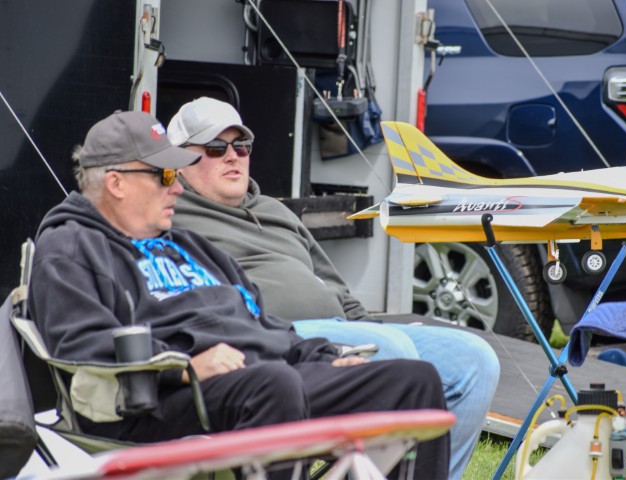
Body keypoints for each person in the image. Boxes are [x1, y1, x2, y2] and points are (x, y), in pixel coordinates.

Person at [28, 110, 450, 480]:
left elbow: (262, 324)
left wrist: (321, 356)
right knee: (274, 385)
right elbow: (81, 343)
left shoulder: (190, 246)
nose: (177, 188)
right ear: (116, 183)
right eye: (166, 175)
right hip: (154, 402)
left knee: (413, 382)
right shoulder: (72, 245)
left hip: (258, 381)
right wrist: (184, 367)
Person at [168, 97, 501, 480]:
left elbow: (334, 286)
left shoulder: (275, 211)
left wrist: (370, 326)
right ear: (180, 160)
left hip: (339, 329)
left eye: (241, 146)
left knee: (476, 359)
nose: (233, 156)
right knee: (395, 353)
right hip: (274, 338)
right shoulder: (173, 215)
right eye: (215, 148)